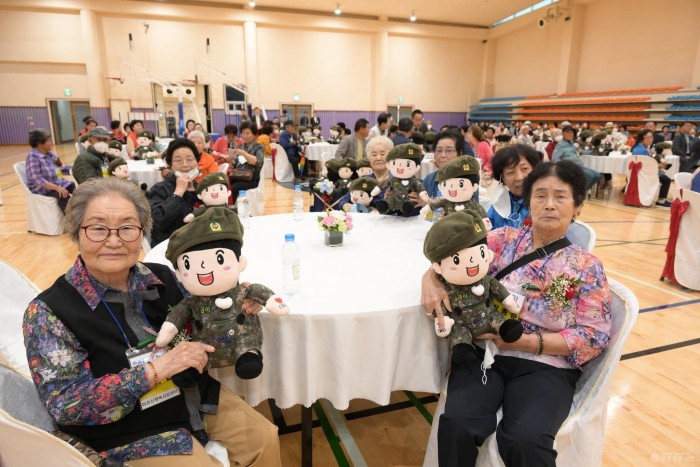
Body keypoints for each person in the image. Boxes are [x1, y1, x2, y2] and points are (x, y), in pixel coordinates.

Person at [23, 177, 281, 465]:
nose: (113, 241)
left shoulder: (162, 277)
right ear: (76, 233)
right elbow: (64, 404)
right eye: (97, 228)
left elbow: (206, 309)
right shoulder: (48, 312)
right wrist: (157, 369)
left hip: (193, 396)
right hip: (128, 430)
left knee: (265, 438)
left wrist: (241, 296)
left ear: (142, 232)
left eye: (127, 228)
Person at [422, 160, 611, 467]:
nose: (549, 204)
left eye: (560, 196)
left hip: (546, 365)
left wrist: (528, 343)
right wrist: (430, 279)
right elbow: (449, 259)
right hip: (487, 353)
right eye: (541, 195)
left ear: (577, 206)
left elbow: (594, 336)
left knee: (525, 439)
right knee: (458, 423)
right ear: (529, 201)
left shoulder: (586, 266)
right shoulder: (502, 240)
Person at [149, 138, 201, 246]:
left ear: (197, 161)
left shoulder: (201, 188)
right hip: (169, 246)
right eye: (178, 160)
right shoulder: (160, 189)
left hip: (197, 243)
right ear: (170, 164)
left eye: (190, 159)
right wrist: (178, 193)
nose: (185, 164)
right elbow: (159, 221)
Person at [487, 144, 540, 229]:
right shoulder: (499, 206)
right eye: (510, 172)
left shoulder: (546, 203)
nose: (519, 178)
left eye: (524, 169)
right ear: (502, 178)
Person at [24, 128, 75, 213]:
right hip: (44, 189)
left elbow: (61, 167)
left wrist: (76, 169)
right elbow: (37, 179)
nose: (51, 143)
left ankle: (80, 213)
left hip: (57, 183)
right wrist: (57, 188)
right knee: (63, 195)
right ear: (39, 143)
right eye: (48, 141)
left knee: (75, 188)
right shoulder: (33, 157)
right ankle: (70, 218)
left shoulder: (50, 154)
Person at [340, 136, 393, 211]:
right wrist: (348, 206)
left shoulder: (397, 179)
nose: (378, 158)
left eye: (382, 154)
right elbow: (343, 201)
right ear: (369, 158)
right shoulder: (364, 179)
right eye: (374, 155)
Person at [631, 129, 672, 207]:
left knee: (664, 175)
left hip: (644, 172)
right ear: (641, 138)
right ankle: (661, 201)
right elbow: (645, 166)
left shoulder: (641, 148)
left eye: (652, 137)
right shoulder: (640, 150)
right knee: (666, 179)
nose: (650, 139)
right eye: (648, 137)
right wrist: (658, 166)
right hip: (644, 174)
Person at [552, 125, 600, 192]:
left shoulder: (571, 144)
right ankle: (579, 192)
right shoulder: (560, 145)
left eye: (572, 132)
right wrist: (563, 167)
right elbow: (555, 158)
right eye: (568, 132)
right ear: (563, 134)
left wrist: (592, 152)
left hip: (579, 166)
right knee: (589, 175)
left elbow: (580, 151)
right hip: (569, 168)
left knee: (597, 175)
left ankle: (581, 191)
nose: (570, 134)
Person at [228, 121, 264, 202]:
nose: (244, 136)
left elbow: (258, 162)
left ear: (254, 134)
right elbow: (235, 164)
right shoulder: (240, 146)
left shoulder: (259, 147)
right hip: (238, 176)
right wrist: (231, 161)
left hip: (252, 179)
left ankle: (234, 206)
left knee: (234, 187)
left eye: (247, 133)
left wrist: (244, 154)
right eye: (243, 133)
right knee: (225, 184)